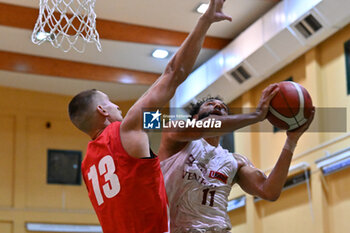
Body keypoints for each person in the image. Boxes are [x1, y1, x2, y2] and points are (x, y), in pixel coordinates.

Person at [67, 1, 232, 232]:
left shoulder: (87, 165)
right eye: (109, 101)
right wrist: (204, 22)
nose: (117, 106)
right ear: (102, 111)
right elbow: (174, 73)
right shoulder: (126, 129)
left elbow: (159, 125)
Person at [159, 87, 315, 233]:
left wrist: (291, 141)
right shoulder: (175, 136)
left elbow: (269, 191)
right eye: (210, 104)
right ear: (194, 117)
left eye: (223, 108)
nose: (218, 106)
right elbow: (205, 127)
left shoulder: (235, 161)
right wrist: (255, 116)